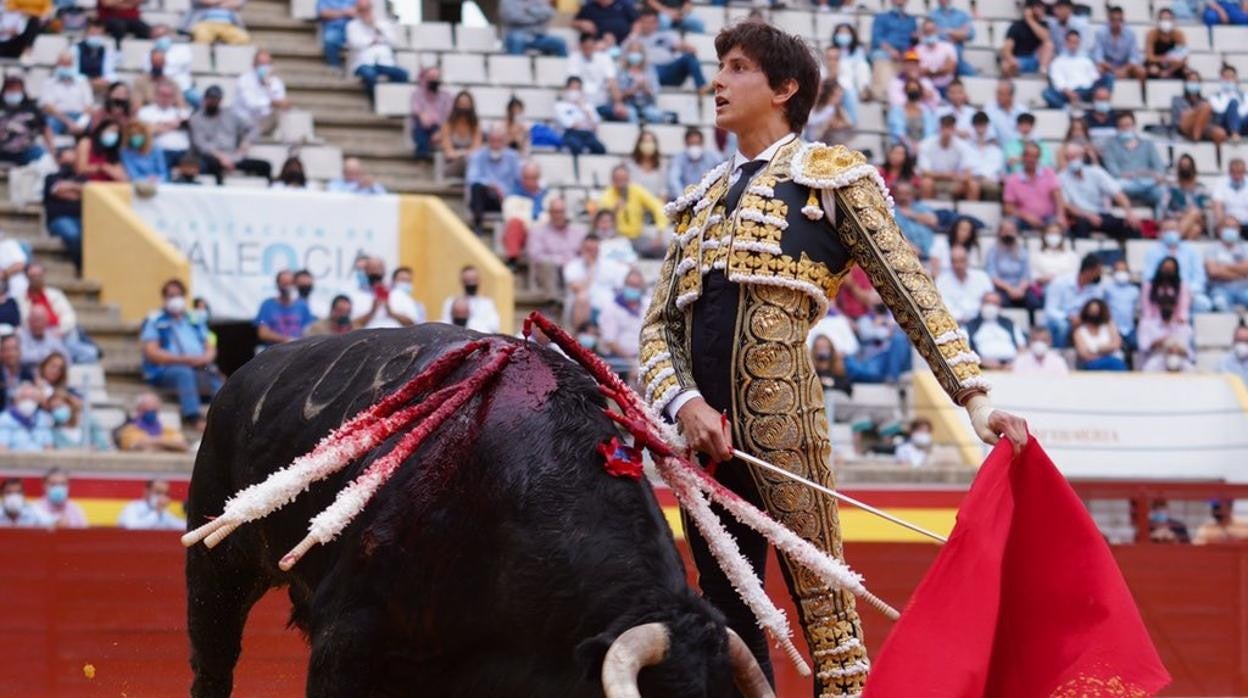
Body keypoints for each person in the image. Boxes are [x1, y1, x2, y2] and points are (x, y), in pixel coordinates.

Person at [640, 23, 1026, 691]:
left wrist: (975, 398)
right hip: (702, 446)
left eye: (736, 68)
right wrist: (686, 403)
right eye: (719, 67)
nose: (717, 82)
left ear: (784, 88)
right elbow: (658, 329)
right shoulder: (698, 204)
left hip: (786, 433)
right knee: (724, 623)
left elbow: (912, 289)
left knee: (829, 622)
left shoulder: (831, 179)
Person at [139, 279, 221, 429]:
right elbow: (151, 352)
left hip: (198, 366)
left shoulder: (194, 319)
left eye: (178, 295)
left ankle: (223, 416)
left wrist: (205, 358)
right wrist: (183, 360)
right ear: (164, 298)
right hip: (166, 369)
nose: (175, 299)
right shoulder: (155, 321)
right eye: (170, 296)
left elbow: (209, 345)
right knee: (184, 373)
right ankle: (194, 417)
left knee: (216, 376)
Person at [189, 85, 272, 184]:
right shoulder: (196, 119)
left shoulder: (230, 115)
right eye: (211, 98)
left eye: (216, 99)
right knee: (213, 165)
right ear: (205, 99)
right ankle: (219, 193)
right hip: (211, 157)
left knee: (265, 166)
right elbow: (201, 145)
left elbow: (253, 128)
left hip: (233, 157)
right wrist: (221, 157)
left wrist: (245, 144)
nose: (213, 101)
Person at [1060, 142, 1139, 240]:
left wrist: (1129, 212)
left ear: (1083, 156)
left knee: (1131, 226)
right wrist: (1088, 216)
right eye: (1070, 157)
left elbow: (1117, 193)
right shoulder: (1061, 178)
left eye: (1076, 156)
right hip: (1081, 216)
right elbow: (1067, 205)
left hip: (1102, 214)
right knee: (1081, 226)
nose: (1073, 160)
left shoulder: (1096, 172)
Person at [598, 164, 668, 257]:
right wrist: (614, 210)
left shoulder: (636, 190)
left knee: (664, 250)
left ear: (628, 179)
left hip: (637, 237)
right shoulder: (606, 196)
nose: (621, 182)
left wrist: (659, 232)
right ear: (612, 180)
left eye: (624, 179)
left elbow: (657, 207)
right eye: (618, 179)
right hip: (616, 239)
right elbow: (603, 222)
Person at [1137, 255, 1195, 367]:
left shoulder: (1182, 286)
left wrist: (1179, 319)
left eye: (1171, 269)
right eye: (1165, 268)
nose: (1167, 271)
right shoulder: (1149, 285)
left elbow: (1183, 306)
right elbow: (1146, 306)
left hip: (1176, 321)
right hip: (1153, 320)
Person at [1143, 219, 1212, 312]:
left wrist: (1186, 292)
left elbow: (1199, 277)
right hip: (1163, 292)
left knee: (1204, 304)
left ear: (1179, 232)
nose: (1171, 233)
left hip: (1189, 291)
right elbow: (1148, 277)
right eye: (1167, 230)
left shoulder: (1191, 250)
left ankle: (1187, 325)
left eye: (1173, 229)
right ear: (1160, 233)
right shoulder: (1153, 252)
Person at [631, 8, 706, 92]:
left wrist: (685, 47)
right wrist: (634, 34)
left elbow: (685, 47)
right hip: (650, 71)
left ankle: (702, 88)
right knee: (647, 67)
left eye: (651, 22)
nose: (648, 25)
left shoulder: (666, 35)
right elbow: (626, 55)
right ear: (640, 23)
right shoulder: (635, 39)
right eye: (645, 22)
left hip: (671, 70)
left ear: (657, 23)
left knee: (688, 57)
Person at [1099, 111, 1164, 207]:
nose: (1126, 128)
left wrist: (1156, 176)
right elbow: (1113, 171)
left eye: (1128, 125)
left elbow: (1159, 167)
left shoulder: (1147, 143)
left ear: (1134, 126)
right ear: (1117, 128)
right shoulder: (1110, 146)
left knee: (1162, 192)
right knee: (1115, 186)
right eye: (1122, 126)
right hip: (1124, 184)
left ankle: (1158, 219)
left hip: (1147, 184)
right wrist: (1135, 174)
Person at [345, 0, 408, 98]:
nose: (365, 12)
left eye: (367, 9)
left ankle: (393, 100)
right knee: (370, 75)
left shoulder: (383, 24)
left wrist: (376, 27)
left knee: (402, 74)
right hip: (364, 63)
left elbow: (394, 42)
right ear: (357, 10)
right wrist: (372, 41)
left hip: (385, 63)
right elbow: (355, 43)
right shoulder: (352, 25)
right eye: (362, 10)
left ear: (371, 8)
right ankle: (374, 101)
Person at [466, 125, 522, 234]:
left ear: (504, 142)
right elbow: (471, 178)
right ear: (487, 141)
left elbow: (518, 180)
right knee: (476, 188)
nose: (495, 145)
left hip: (505, 199)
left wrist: (503, 192)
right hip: (484, 197)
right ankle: (478, 224)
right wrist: (490, 185)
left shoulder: (513, 157)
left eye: (499, 141)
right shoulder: (478, 156)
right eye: (492, 141)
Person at [527, 196, 586, 298]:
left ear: (566, 212)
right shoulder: (538, 232)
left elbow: (586, 253)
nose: (558, 215)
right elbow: (535, 255)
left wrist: (572, 263)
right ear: (549, 213)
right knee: (547, 265)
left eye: (561, 211)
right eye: (555, 212)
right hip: (551, 270)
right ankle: (553, 301)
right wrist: (560, 260)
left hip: (574, 269)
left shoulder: (579, 231)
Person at [1044, 253, 1106, 347]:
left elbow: (1096, 309)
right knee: (1062, 326)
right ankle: (1060, 354)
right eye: (1097, 271)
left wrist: (1083, 319)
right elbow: (1050, 310)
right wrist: (1069, 318)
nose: (1100, 274)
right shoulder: (1059, 282)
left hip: (1082, 320)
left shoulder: (1096, 288)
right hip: (1059, 320)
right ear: (1088, 271)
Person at [1043, 30, 1113, 110]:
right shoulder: (1057, 62)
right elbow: (1058, 81)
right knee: (1047, 93)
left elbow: (1094, 78)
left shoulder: (1086, 60)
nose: (1073, 45)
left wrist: (1098, 84)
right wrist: (1068, 92)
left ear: (1079, 43)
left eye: (1076, 42)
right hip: (1068, 93)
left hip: (1087, 92)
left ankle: (1102, 105)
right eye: (1071, 42)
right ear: (1066, 43)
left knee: (1109, 77)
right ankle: (1067, 108)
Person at [1003, 142, 1063, 232]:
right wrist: (1027, 217)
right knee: (1009, 225)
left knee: (1057, 226)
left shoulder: (1048, 173)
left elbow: (1058, 196)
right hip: (1023, 219)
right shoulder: (1013, 179)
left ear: (1039, 158)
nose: (1031, 159)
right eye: (1028, 156)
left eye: (1035, 156)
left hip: (1047, 218)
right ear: (1023, 157)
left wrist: (1060, 215)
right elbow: (1008, 207)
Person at [597, 269, 646, 377]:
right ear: (624, 285)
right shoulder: (611, 308)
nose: (633, 288)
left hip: (644, 357)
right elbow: (610, 341)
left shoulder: (647, 305)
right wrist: (631, 361)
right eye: (630, 284)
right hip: (618, 359)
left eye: (636, 285)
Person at [44, 148, 86, 271]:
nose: (72, 158)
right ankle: (82, 267)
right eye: (67, 156)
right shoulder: (50, 178)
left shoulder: (84, 178)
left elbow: (88, 191)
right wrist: (79, 191)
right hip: (59, 220)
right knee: (73, 235)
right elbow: (58, 191)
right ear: (58, 160)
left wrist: (70, 187)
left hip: (83, 219)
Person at [137, 80, 192, 173]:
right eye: (162, 94)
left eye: (169, 95)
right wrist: (173, 125)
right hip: (159, 152)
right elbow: (146, 131)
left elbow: (188, 124)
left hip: (183, 152)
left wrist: (160, 126)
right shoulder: (145, 112)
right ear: (156, 95)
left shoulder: (181, 111)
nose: (165, 98)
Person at [233, 50, 290, 135]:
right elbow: (250, 104)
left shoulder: (276, 82)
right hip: (245, 122)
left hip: (266, 121)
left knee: (286, 114)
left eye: (267, 64)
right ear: (254, 65)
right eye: (261, 64)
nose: (264, 67)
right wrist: (271, 103)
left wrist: (283, 103)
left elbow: (280, 101)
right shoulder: (244, 80)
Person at [1, 76, 53, 167]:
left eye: (17, 90)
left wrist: (52, 149)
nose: (13, 92)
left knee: (46, 160)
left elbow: (45, 128)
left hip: (26, 151)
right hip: (2, 150)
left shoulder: (31, 108)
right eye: (10, 89)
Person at [868, 0, 918, 97]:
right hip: (886, 51)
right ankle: (883, 93)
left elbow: (913, 41)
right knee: (880, 55)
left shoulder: (911, 20)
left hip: (905, 53)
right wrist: (890, 50)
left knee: (915, 59)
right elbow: (877, 38)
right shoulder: (881, 17)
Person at [916, 114, 971, 200]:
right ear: (940, 128)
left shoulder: (963, 146)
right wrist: (946, 175)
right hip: (934, 180)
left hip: (954, 181)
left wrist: (959, 178)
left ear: (954, 129)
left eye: (950, 128)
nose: (947, 131)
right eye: (945, 127)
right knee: (926, 183)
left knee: (972, 185)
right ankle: (927, 210)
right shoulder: (926, 144)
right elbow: (924, 172)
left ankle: (967, 211)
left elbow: (967, 173)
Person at [254, 270, 315, 347]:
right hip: (273, 352)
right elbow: (263, 333)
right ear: (277, 284)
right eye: (284, 283)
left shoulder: (303, 306)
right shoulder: (267, 305)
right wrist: (286, 339)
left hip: (297, 352)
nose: (287, 287)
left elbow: (308, 332)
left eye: (290, 283)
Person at [985, 220, 1037, 309]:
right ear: (999, 233)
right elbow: (993, 276)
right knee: (999, 302)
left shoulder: (1023, 251)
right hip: (1002, 289)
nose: (1008, 234)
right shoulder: (993, 252)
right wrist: (1010, 289)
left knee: (1034, 303)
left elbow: (1026, 275)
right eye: (1005, 231)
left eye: (1011, 231)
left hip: (1021, 289)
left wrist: (1020, 289)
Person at [39, 52, 93, 137]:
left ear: (73, 65)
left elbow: (89, 107)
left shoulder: (82, 81)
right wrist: (69, 122)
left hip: (78, 116)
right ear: (57, 65)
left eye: (68, 64)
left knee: (90, 124)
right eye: (62, 64)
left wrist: (81, 123)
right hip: (58, 117)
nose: (65, 67)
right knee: (49, 123)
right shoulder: (49, 82)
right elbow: (47, 107)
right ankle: (51, 149)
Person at [936, 246, 994, 324]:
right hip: (951, 324)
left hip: (979, 323)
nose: (958, 265)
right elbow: (941, 307)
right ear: (951, 262)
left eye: (961, 261)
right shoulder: (941, 280)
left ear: (967, 260)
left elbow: (991, 300)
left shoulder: (982, 277)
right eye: (955, 261)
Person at [966, 292, 1025, 368]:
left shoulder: (1009, 324)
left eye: (995, 303)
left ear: (1000, 306)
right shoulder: (970, 326)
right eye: (988, 302)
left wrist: (1014, 363)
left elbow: (1022, 348)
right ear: (981, 304)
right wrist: (981, 363)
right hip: (982, 368)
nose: (991, 306)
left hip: (1011, 367)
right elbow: (965, 351)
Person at [614, 41, 666, 124]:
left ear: (642, 54)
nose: (635, 54)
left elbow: (655, 92)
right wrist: (634, 89)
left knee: (657, 115)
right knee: (631, 114)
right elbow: (618, 95)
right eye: (632, 52)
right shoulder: (622, 72)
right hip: (629, 105)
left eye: (637, 52)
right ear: (627, 54)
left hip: (647, 104)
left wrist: (645, 87)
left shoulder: (649, 71)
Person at [438, 265, 500, 333]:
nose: (471, 283)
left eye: (473, 280)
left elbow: (493, 326)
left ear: (479, 280)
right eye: (468, 280)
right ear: (462, 281)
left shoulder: (487, 303)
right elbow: (445, 324)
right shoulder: (451, 301)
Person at [553, 76, 605, 156]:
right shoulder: (560, 106)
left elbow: (595, 123)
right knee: (576, 146)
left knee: (600, 149)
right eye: (573, 88)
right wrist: (586, 124)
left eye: (578, 88)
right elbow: (568, 124)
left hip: (587, 134)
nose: (575, 91)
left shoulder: (588, 106)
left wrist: (582, 107)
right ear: (567, 89)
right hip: (571, 134)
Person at [1000, 0, 1052, 78]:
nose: (1041, 10)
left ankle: (1042, 71)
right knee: (1005, 66)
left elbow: (1045, 38)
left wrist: (1030, 20)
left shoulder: (1044, 24)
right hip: (1019, 60)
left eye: (1042, 7)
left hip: (1036, 59)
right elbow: (1007, 48)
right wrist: (1012, 60)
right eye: (1038, 7)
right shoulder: (1016, 26)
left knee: (1049, 45)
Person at [1073, 298, 1128, 370]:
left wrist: (1095, 349)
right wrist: (1104, 351)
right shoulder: (1079, 332)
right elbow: (1084, 354)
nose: (1094, 314)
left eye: (1096, 311)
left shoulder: (1109, 325)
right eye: (1091, 311)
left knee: (1116, 363)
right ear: (1086, 312)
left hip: (1114, 360)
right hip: (1092, 363)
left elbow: (1115, 345)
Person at [409, 67, 451, 160]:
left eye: (435, 78)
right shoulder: (417, 93)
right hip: (422, 126)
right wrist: (422, 115)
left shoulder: (446, 95)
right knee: (420, 126)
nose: (433, 80)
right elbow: (416, 110)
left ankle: (423, 155)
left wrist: (441, 132)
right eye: (430, 78)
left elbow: (449, 117)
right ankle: (422, 157)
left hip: (440, 127)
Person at [1092, 6, 1145, 80]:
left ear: (1123, 20)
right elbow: (1098, 57)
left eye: (1119, 20)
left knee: (1141, 71)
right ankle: (1101, 90)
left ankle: (1143, 92)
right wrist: (1112, 68)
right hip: (1107, 67)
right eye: (1113, 20)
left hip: (1126, 67)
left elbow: (1134, 57)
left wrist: (1124, 69)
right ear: (1109, 20)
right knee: (1097, 70)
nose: (1116, 23)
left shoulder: (1130, 33)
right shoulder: (1100, 33)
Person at [1167, 154, 1212, 239]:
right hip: (1177, 220)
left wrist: (1191, 215)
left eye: (1188, 166)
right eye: (1183, 166)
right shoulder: (1172, 188)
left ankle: (1174, 239)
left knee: (1194, 212)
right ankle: (1178, 248)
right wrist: (1180, 215)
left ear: (1193, 168)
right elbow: (1164, 209)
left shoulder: (1202, 189)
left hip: (1199, 220)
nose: (1185, 169)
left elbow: (1207, 209)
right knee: (1195, 229)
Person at [1206, 218, 1248, 311]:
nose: (1231, 230)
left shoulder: (1245, 247)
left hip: (1243, 289)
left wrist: (1224, 266)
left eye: (1234, 227)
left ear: (1239, 230)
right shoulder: (1212, 249)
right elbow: (1213, 272)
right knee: (1220, 304)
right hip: (1220, 290)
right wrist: (1241, 273)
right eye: (1227, 227)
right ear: (1220, 230)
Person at [439, 90, 482, 179]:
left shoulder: (475, 126)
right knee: (465, 161)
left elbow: (476, 150)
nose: (464, 107)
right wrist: (465, 154)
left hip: (470, 163)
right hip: (451, 166)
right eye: (461, 104)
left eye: (466, 104)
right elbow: (449, 153)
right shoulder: (447, 125)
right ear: (456, 105)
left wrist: (461, 154)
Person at [891, 180, 938, 259]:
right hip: (907, 253)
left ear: (912, 194)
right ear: (895, 194)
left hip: (930, 252)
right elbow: (894, 232)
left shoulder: (920, 206)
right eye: (900, 193)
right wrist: (909, 246)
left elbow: (933, 221)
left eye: (906, 193)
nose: (903, 196)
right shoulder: (891, 211)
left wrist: (911, 214)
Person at [1171, 71, 1222, 145]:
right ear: (1186, 83)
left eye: (1195, 81)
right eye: (1191, 81)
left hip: (1201, 126)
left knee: (1220, 133)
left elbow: (1209, 120)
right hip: (1184, 126)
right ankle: (1196, 137)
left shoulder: (1204, 100)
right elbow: (1181, 116)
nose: (1193, 83)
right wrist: (1198, 111)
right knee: (1205, 106)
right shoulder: (1177, 99)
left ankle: (1218, 155)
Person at [501, 0, 566, 57]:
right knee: (518, 40)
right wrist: (537, 18)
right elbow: (514, 18)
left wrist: (529, 10)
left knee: (559, 42)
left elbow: (550, 12)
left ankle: (562, 69)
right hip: (516, 35)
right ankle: (516, 68)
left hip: (537, 37)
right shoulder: (508, 1)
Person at [887, 77, 937, 152]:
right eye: (910, 89)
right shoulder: (896, 110)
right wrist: (910, 145)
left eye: (915, 89)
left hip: (924, 148)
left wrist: (921, 146)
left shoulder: (927, 112)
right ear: (905, 91)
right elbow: (898, 132)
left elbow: (930, 133)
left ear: (920, 92)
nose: (913, 91)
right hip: (902, 148)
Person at [0, 382, 53, 451]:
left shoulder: (41, 417)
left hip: (40, 460)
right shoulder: (5, 418)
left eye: (32, 398)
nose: (28, 401)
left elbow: (48, 446)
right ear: (16, 400)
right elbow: (2, 448)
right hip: (15, 460)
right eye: (24, 397)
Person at [668, 127, 717, 199]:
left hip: (707, 199)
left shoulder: (712, 158)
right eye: (691, 144)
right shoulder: (678, 159)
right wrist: (684, 198)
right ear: (686, 143)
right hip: (684, 199)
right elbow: (674, 180)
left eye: (697, 143)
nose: (694, 146)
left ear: (702, 143)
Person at [117, 478, 186, 529]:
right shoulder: (132, 507)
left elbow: (180, 526)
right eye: (158, 492)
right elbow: (132, 527)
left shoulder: (163, 513)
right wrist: (157, 512)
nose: (162, 497)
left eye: (165, 494)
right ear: (146, 491)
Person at [930, 0, 975, 76]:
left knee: (972, 76)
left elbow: (970, 34)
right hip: (940, 61)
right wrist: (959, 34)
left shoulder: (962, 15)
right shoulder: (932, 15)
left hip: (958, 60)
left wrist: (949, 32)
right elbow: (931, 35)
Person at [18, 306, 71, 372]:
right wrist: (49, 356)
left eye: (41, 320)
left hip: (50, 376)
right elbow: (23, 357)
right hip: (28, 375)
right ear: (29, 321)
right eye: (35, 320)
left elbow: (66, 358)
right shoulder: (21, 335)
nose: (38, 324)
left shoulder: (52, 335)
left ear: (46, 321)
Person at [1104, 258, 1140, 348]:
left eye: (1123, 270)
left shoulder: (1134, 290)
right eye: (1118, 270)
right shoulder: (1108, 289)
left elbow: (1138, 311)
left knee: (1137, 345)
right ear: (1113, 272)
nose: (1121, 273)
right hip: (1112, 329)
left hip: (1129, 328)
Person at [74, 19, 119, 89]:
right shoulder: (75, 48)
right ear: (86, 33)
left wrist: (104, 80)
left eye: (99, 34)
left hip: (100, 83)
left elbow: (109, 71)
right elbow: (73, 71)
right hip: (80, 82)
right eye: (93, 33)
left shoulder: (107, 50)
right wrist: (88, 81)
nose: (95, 36)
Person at [1145, 9, 1188, 80]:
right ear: (1158, 21)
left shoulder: (1178, 35)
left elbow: (1183, 58)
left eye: (1168, 19)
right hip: (1156, 63)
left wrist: (1169, 71)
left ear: (1173, 21)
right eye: (1163, 19)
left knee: (1187, 72)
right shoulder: (1152, 34)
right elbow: (1150, 57)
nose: (1166, 22)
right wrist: (1165, 59)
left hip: (1173, 65)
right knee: (1153, 70)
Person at [915, 19, 957, 92]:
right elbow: (919, 72)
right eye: (926, 31)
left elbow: (950, 69)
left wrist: (929, 71)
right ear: (922, 33)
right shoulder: (917, 50)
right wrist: (940, 70)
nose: (929, 33)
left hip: (946, 87)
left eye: (932, 30)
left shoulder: (948, 47)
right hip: (925, 89)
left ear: (937, 31)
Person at [572, 0, 639, 46]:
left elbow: (637, 22)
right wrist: (581, 23)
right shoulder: (589, 7)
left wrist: (631, 38)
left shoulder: (624, 5)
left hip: (622, 45)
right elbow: (573, 22)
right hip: (595, 46)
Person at [985, 79, 1029, 146]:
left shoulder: (1022, 110)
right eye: (997, 93)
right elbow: (990, 135)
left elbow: (1027, 134)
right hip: (997, 150)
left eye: (1001, 94)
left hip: (1019, 150)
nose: (997, 96)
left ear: (1010, 96)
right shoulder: (989, 109)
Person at [1209, 65, 1247, 140]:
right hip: (1224, 125)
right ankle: (1234, 133)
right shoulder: (1214, 96)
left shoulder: (1244, 95)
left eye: (1231, 77)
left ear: (1236, 79)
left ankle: (1236, 131)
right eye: (1226, 77)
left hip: (1242, 123)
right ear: (1221, 79)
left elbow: (1245, 111)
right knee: (1233, 103)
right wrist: (1230, 99)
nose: (1229, 80)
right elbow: (1219, 110)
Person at [317, 0, 357, 68]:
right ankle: (334, 66)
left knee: (363, 40)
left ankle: (359, 67)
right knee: (330, 39)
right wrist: (345, 12)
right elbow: (323, 13)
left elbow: (362, 9)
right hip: (335, 28)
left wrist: (335, 13)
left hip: (355, 28)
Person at [628, 130, 667, 200]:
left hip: (656, 205)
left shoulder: (662, 165)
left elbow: (663, 191)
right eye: (645, 142)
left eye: (650, 142)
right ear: (639, 144)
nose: (648, 144)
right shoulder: (630, 165)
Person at [1213, 158, 1248, 234]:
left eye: (1240, 172)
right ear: (1229, 172)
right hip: (1227, 223)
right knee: (1226, 228)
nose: (1237, 176)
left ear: (1244, 172)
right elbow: (1217, 206)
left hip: (1246, 223)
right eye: (1234, 172)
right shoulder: (1221, 183)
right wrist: (1223, 222)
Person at [0, 335, 34, 407]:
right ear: (1, 353)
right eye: (6, 349)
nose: (11, 353)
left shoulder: (27, 373)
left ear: (20, 351)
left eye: (14, 349)